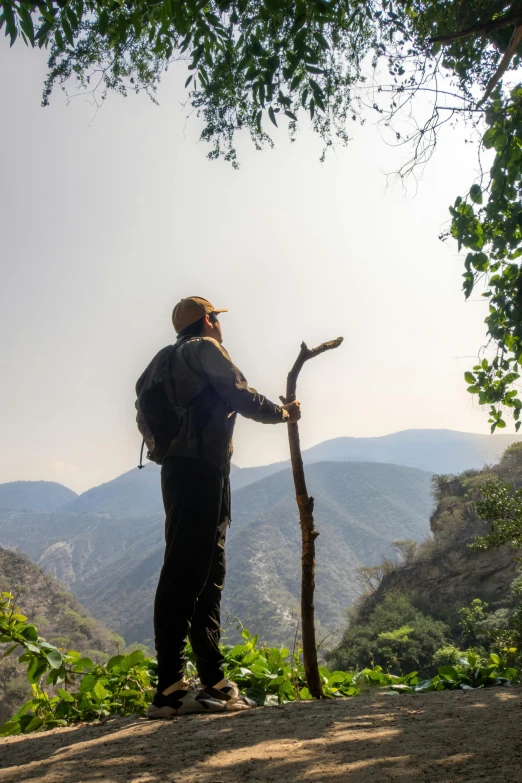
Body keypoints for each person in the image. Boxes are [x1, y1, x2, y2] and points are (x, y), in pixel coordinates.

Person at [146, 296, 301, 718]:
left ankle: (213, 681)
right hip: (199, 469)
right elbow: (240, 393)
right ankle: (169, 688)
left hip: (187, 470)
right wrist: (283, 413)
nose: (219, 325)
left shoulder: (163, 359)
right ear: (208, 321)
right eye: (216, 318)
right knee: (187, 572)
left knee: (206, 572)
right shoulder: (206, 349)